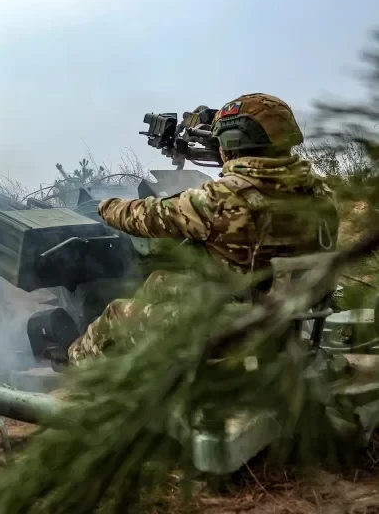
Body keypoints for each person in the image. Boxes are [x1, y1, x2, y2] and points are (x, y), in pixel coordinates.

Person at [67, 93, 340, 363]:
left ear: (232, 140)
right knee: (160, 281)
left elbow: (144, 217)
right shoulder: (320, 193)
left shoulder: (222, 198)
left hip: (236, 329)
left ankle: (79, 372)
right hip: (288, 314)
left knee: (116, 314)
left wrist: (106, 206)